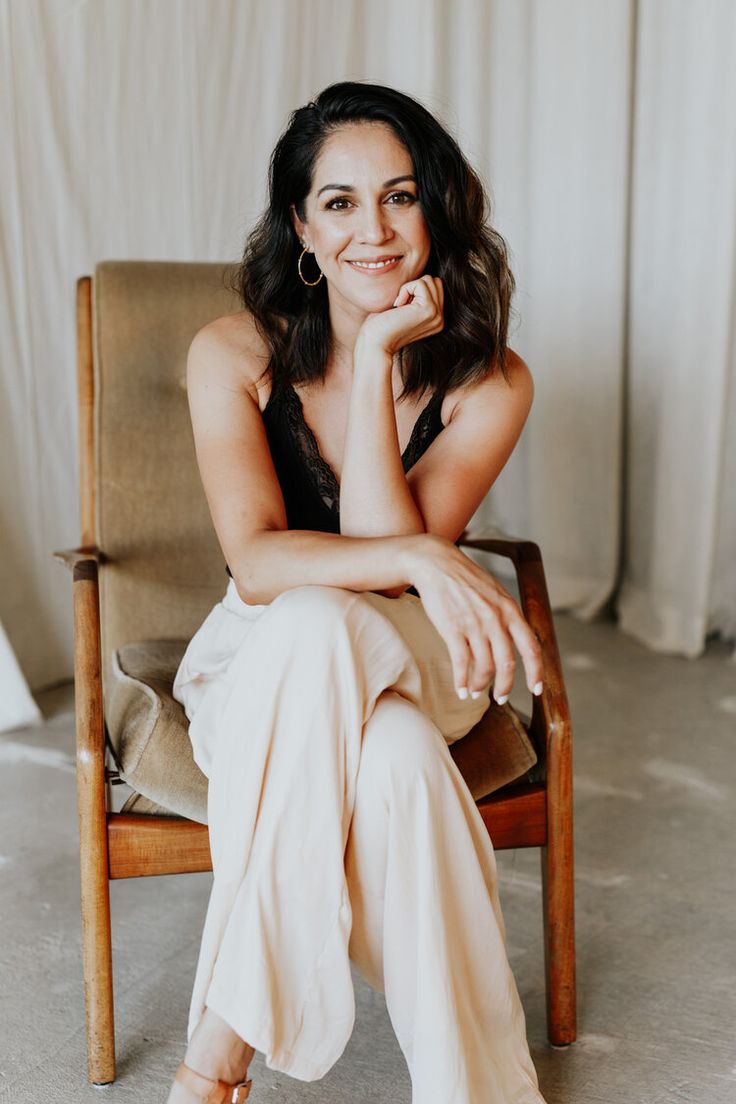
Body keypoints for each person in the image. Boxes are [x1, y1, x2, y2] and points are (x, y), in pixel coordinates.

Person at [167, 81, 546, 1104]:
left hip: (421, 656)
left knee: (331, 616)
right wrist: (423, 557)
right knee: (388, 763)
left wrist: (379, 360)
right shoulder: (231, 355)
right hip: (258, 669)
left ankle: (217, 1058)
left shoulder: (490, 381)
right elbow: (256, 562)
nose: (371, 229)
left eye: (400, 196)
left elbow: (382, 553)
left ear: (437, 211)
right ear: (300, 224)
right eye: (338, 202)